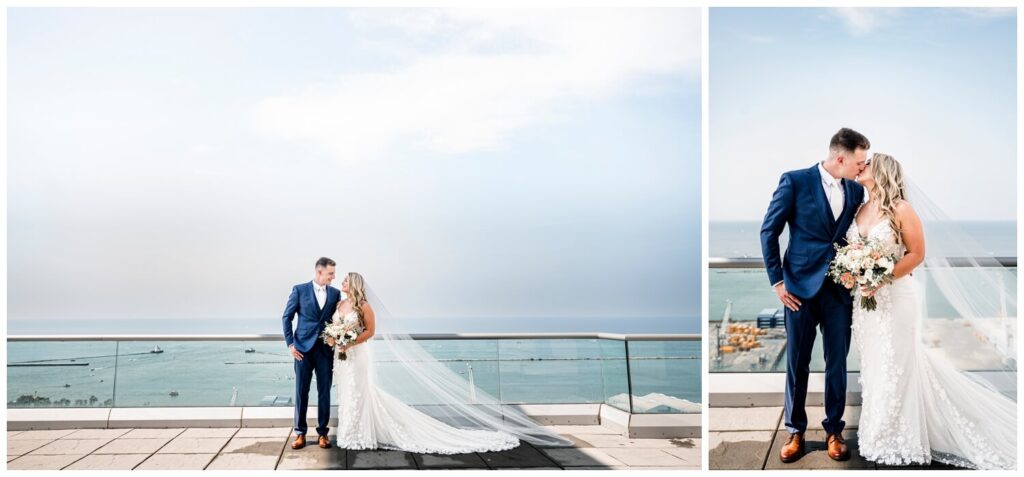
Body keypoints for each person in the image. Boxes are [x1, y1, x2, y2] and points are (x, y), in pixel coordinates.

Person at [847, 153, 1015, 469]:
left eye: (867, 163)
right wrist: (853, 272)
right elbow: (854, 252)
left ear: (881, 170)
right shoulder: (861, 208)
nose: (861, 166)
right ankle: (878, 430)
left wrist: (881, 278)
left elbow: (917, 254)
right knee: (875, 366)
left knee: (898, 364)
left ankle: (899, 434)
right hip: (866, 303)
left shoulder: (901, 209)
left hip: (896, 298)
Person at [760, 127, 869, 463]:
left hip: (839, 291)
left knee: (837, 363)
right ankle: (795, 431)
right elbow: (769, 230)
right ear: (841, 157)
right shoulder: (794, 181)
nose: (862, 169)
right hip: (798, 291)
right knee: (797, 362)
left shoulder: (855, 191)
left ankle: (834, 430)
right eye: (859, 162)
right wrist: (778, 281)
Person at [282, 257, 342, 450]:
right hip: (302, 351)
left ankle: (323, 433)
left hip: (325, 350)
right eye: (331, 273)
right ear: (319, 272)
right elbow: (286, 317)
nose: (333, 277)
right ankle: (300, 433)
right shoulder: (299, 290)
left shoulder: (335, 294)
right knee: (301, 391)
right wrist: (291, 344)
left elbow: (338, 320)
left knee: (324, 392)